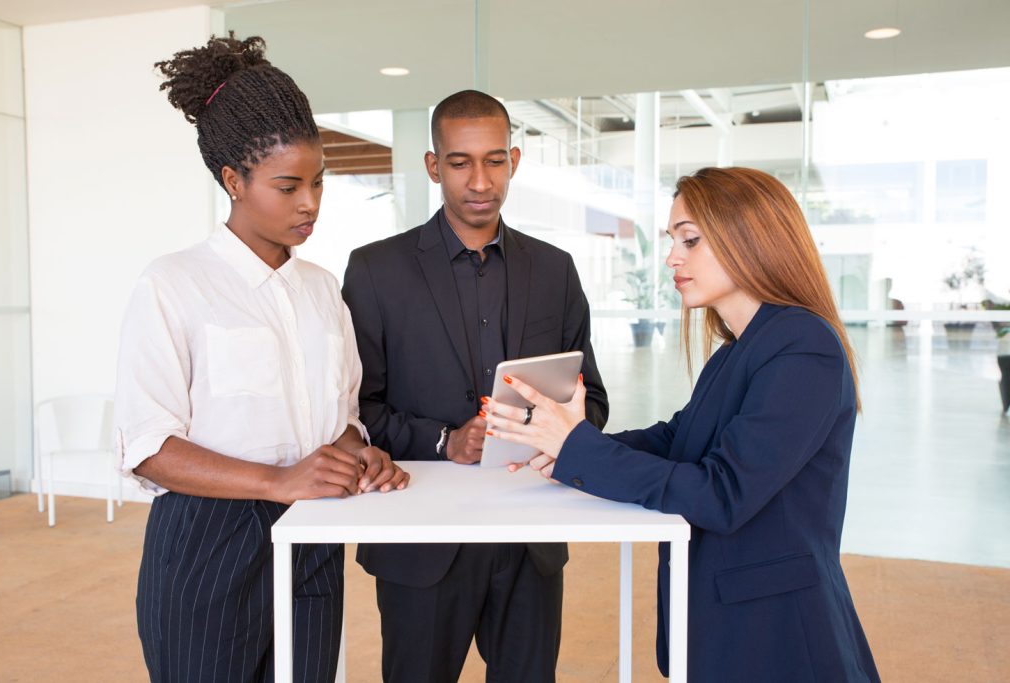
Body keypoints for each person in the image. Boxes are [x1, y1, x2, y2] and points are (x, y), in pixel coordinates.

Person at [484, 167, 881, 682]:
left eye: (690, 240)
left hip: (777, 634)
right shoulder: (740, 348)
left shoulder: (803, 348)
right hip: (729, 620)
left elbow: (724, 493)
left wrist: (577, 447)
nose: (673, 257)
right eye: (674, 240)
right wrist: (562, 444)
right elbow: (678, 440)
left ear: (751, 238)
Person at [113, 34, 408, 683]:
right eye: (288, 185)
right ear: (233, 180)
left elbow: (342, 414)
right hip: (207, 542)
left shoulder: (323, 290)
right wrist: (278, 480)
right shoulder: (171, 285)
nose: (310, 202)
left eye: (319, 182)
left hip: (311, 540)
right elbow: (147, 444)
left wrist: (357, 450)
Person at [341, 89, 609, 683]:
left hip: (530, 537)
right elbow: (356, 413)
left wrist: (568, 423)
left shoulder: (555, 269)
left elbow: (596, 398)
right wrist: (445, 441)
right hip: (420, 539)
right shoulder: (374, 270)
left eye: (494, 160)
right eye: (460, 163)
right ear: (435, 166)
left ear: (514, 161)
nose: (480, 180)